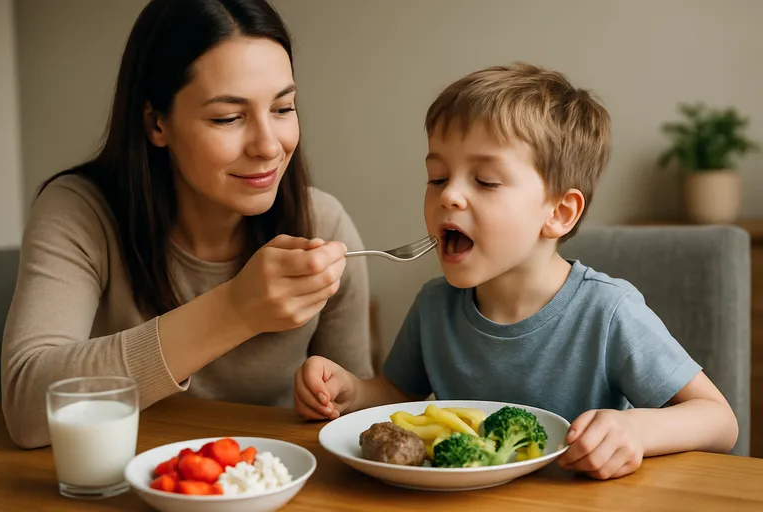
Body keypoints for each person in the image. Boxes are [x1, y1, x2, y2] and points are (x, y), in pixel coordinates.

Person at [294, 63, 739, 480]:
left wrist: (637, 431)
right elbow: (397, 394)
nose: (449, 195)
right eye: (437, 177)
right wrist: (350, 391)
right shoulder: (434, 305)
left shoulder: (608, 312)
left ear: (559, 213)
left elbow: (720, 421)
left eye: (485, 181)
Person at [1, 0, 373, 449]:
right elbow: (25, 409)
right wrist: (235, 310)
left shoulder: (323, 224)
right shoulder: (80, 212)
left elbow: (358, 424)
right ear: (157, 122)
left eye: (283, 108)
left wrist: (337, 394)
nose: (268, 146)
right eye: (228, 117)